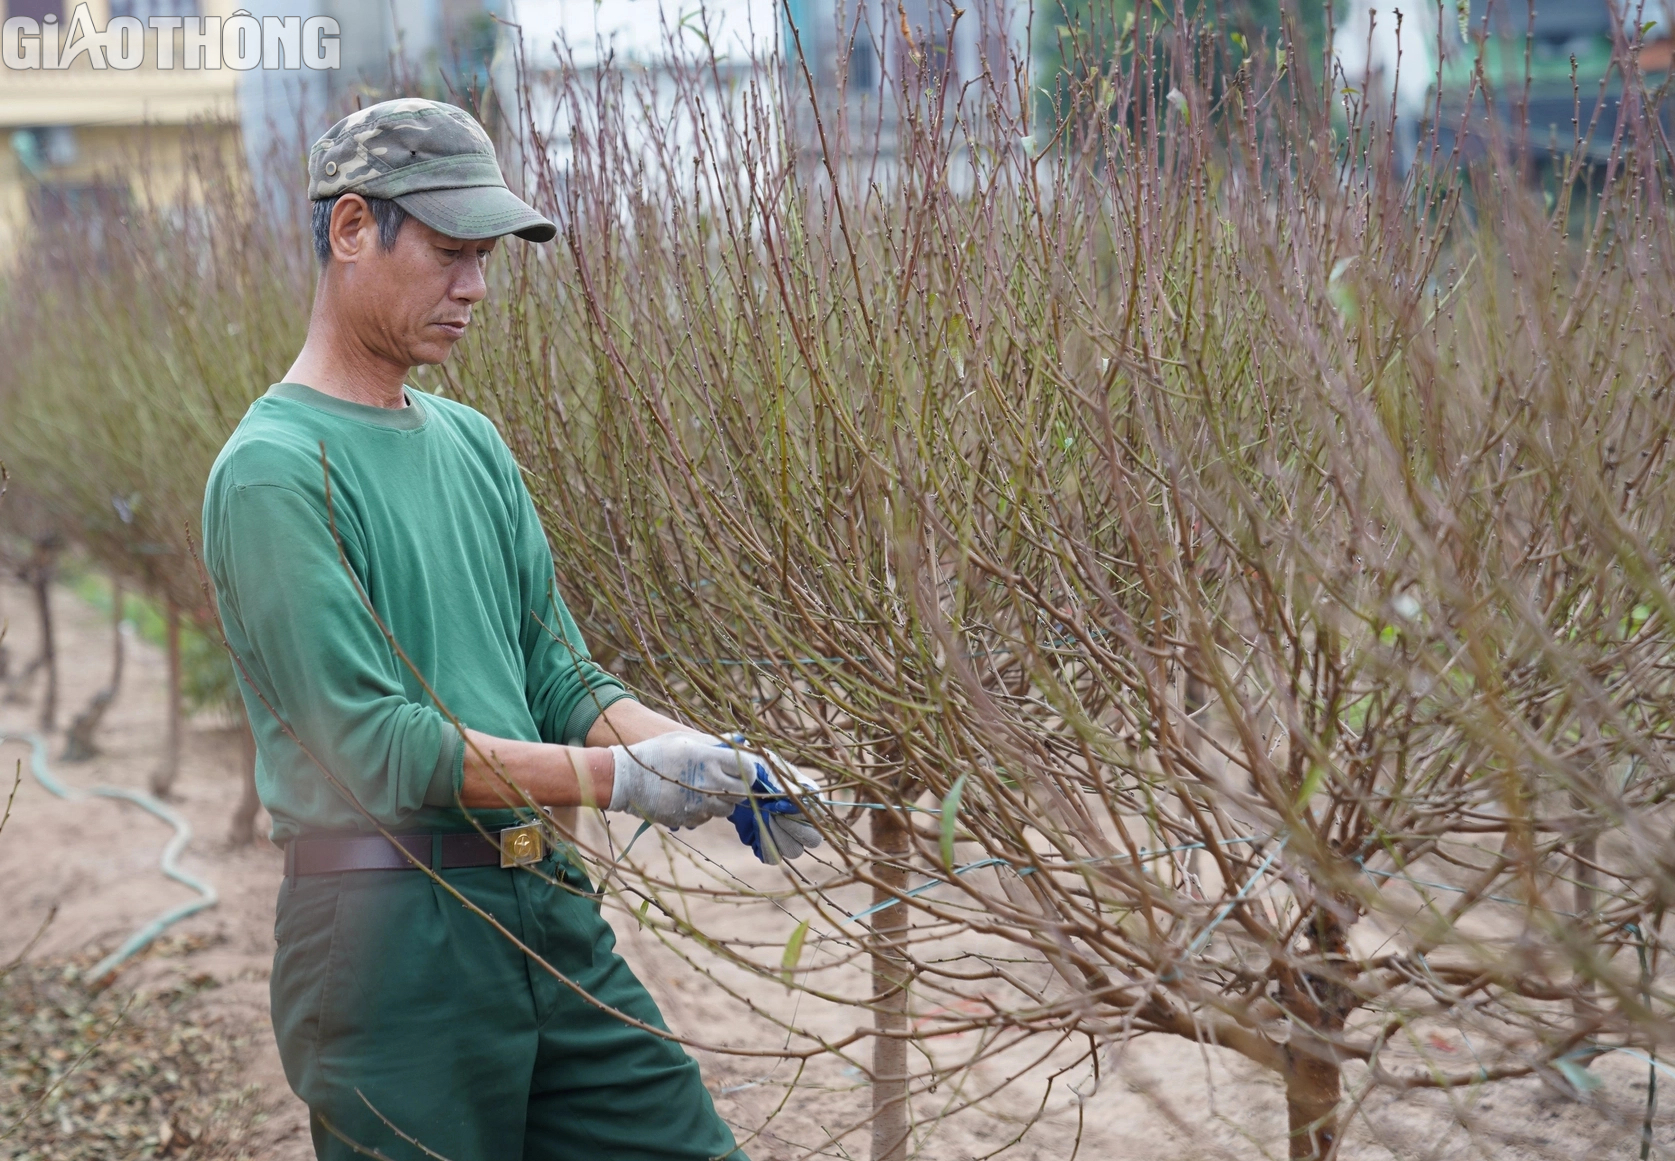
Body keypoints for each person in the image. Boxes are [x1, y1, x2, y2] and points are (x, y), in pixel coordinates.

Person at [202, 98, 819, 1161]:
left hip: (541, 898)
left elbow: (558, 674)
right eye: (449, 252)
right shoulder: (274, 473)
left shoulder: (472, 444)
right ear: (351, 229)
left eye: (484, 258)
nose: (475, 287)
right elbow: (374, 746)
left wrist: (709, 761)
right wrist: (620, 782)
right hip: (390, 941)